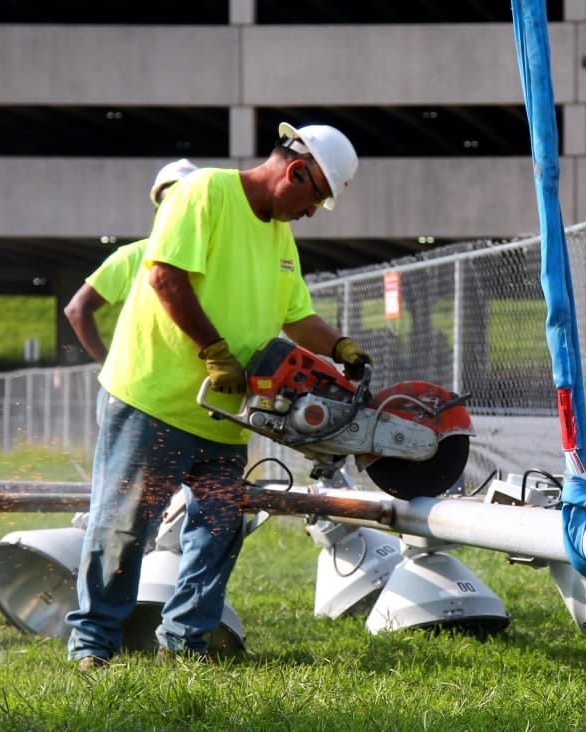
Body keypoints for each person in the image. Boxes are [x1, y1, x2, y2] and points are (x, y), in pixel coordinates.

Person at [66, 123, 372, 670]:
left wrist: (341, 347)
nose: (310, 212)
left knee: (220, 527)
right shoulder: (204, 191)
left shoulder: (279, 238)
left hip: (225, 415)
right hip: (153, 400)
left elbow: (296, 316)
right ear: (296, 170)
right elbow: (165, 277)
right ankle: (94, 644)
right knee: (124, 525)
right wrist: (214, 350)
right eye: (315, 197)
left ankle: (185, 643)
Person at [64, 158, 199, 364]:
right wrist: (107, 363)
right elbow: (76, 309)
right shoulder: (132, 256)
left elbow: (76, 309)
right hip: (135, 393)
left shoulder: (135, 256)